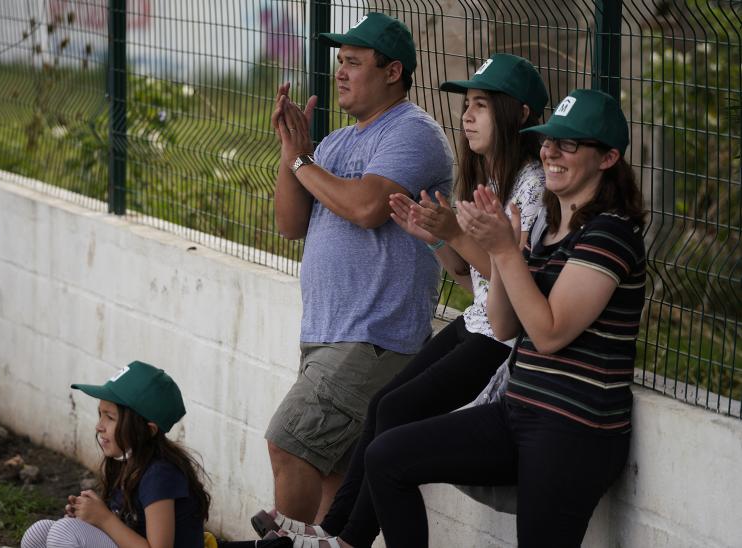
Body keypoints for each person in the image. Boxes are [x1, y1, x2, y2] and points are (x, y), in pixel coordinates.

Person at [256, 54, 548, 547]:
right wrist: (436, 238)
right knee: (385, 410)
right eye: (467, 104)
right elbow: (471, 278)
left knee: (391, 420)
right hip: (476, 319)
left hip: (497, 335)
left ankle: (340, 538)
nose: (468, 115)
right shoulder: (493, 182)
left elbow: (509, 290)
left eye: (482, 104)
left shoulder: (530, 188)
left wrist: (454, 230)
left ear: (518, 115)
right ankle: (335, 535)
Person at [364, 89, 647, 547]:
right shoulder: (550, 227)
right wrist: (504, 252)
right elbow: (505, 325)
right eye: (548, 141)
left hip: (574, 431)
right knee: (387, 457)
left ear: (609, 157)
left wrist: (501, 251)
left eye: (569, 144)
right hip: (519, 413)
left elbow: (551, 333)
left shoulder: (610, 234)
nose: (550, 152)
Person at [259, 11, 454, 528]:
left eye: (353, 62)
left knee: (289, 443)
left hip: (373, 335)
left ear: (392, 72)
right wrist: (290, 154)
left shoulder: (413, 133)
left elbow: (368, 209)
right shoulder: (336, 143)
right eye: (338, 62)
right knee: (333, 480)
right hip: (326, 332)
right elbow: (289, 223)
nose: (340, 72)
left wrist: (305, 164)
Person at [20, 361, 210, 548]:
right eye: (100, 414)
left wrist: (103, 518)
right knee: (39, 532)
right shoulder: (125, 463)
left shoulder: (159, 475)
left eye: (110, 417)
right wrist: (87, 517)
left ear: (147, 430)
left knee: (64, 532)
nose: (99, 426)